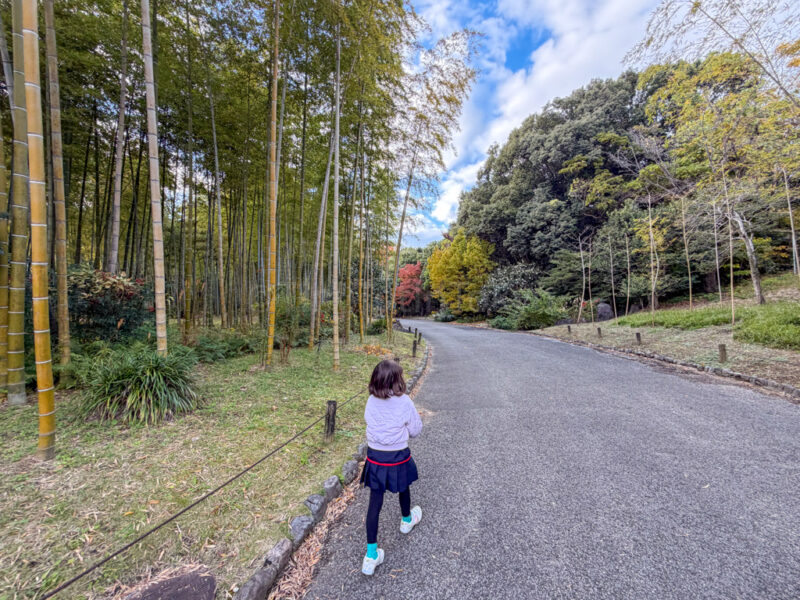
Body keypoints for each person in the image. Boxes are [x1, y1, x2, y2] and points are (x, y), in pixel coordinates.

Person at [360, 359, 423, 575]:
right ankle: (406, 520)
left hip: (375, 457)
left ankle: (371, 555)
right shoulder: (404, 401)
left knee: (375, 502)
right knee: (403, 487)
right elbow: (415, 430)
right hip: (398, 455)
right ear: (397, 380)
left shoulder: (371, 401)